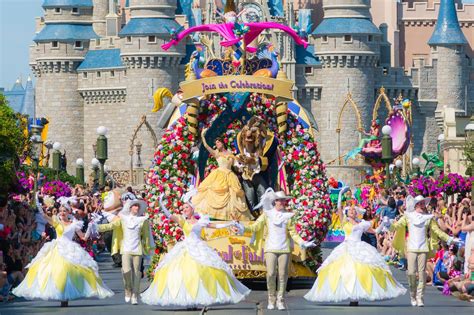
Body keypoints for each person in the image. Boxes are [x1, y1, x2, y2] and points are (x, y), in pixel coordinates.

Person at [141, 192, 250, 307]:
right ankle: (187, 297)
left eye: (186, 207)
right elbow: (169, 216)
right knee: (182, 271)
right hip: (185, 248)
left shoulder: (201, 221)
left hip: (199, 248)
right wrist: (162, 204)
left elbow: (214, 226)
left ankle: (203, 295)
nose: (184, 209)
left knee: (205, 270)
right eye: (183, 208)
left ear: (192, 209)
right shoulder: (182, 221)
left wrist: (229, 224)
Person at [12, 201, 114, 306]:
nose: (62, 213)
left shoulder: (74, 224)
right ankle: (61, 294)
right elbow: (44, 216)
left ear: (69, 212)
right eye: (60, 211)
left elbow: (84, 237)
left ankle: (66, 296)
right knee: (56, 270)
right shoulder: (56, 222)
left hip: (70, 249)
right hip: (57, 248)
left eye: (64, 211)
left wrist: (90, 226)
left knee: (70, 270)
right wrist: (38, 205)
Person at [304, 201, 406, 306]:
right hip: (346, 246)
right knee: (345, 269)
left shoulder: (362, 223)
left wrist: (384, 223)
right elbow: (339, 208)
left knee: (362, 269)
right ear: (347, 213)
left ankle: (355, 297)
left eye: (354, 210)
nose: (352, 211)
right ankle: (349, 294)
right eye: (350, 210)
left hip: (359, 246)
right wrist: (341, 194)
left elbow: (376, 231)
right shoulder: (344, 221)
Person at [234, 189, 315, 310]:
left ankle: (280, 300)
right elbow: (255, 227)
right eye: (279, 200)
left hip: (284, 249)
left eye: (283, 200)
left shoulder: (288, 216)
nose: (281, 202)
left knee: (283, 275)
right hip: (270, 248)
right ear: (274, 201)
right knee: (271, 273)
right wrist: (242, 229)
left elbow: (293, 233)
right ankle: (271, 299)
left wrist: (303, 242)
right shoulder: (267, 214)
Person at [390, 195, 460, 307]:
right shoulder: (408, 216)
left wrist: (450, 239)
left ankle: (420, 297)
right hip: (411, 248)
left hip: (423, 248)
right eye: (421, 203)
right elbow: (397, 226)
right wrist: (389, 225)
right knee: (411, 272)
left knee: (422, 273)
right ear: (416, 204)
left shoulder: (428, 218)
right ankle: (412, 294)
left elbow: (437, 231)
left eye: (424, 203)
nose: (423, 205)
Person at [94, 199, 153, 305]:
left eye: (138, 206)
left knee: (137, 273)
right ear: (130, 208)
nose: (136, 208)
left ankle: (135, 295)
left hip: (137, 250)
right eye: (134, 206)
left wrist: (148, 249)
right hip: (126, 249)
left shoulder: (143, 220)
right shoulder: (123, 219)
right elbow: (110, 226)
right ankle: (128, 289)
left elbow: (146, 236)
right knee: (126, 271)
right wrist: (96, 227)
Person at [191, 129, 252, 221]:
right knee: (213, 192)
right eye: (216, 143)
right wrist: (203, 136)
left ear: (223, 143)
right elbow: (206, 146)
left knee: (233, 196)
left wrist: (241, 166)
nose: (217, 144)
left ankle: (233, 218)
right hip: (219, 175)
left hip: (230, 176)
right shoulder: (216, 153)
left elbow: (236, 165)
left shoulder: (231, 153)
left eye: (218, 142)